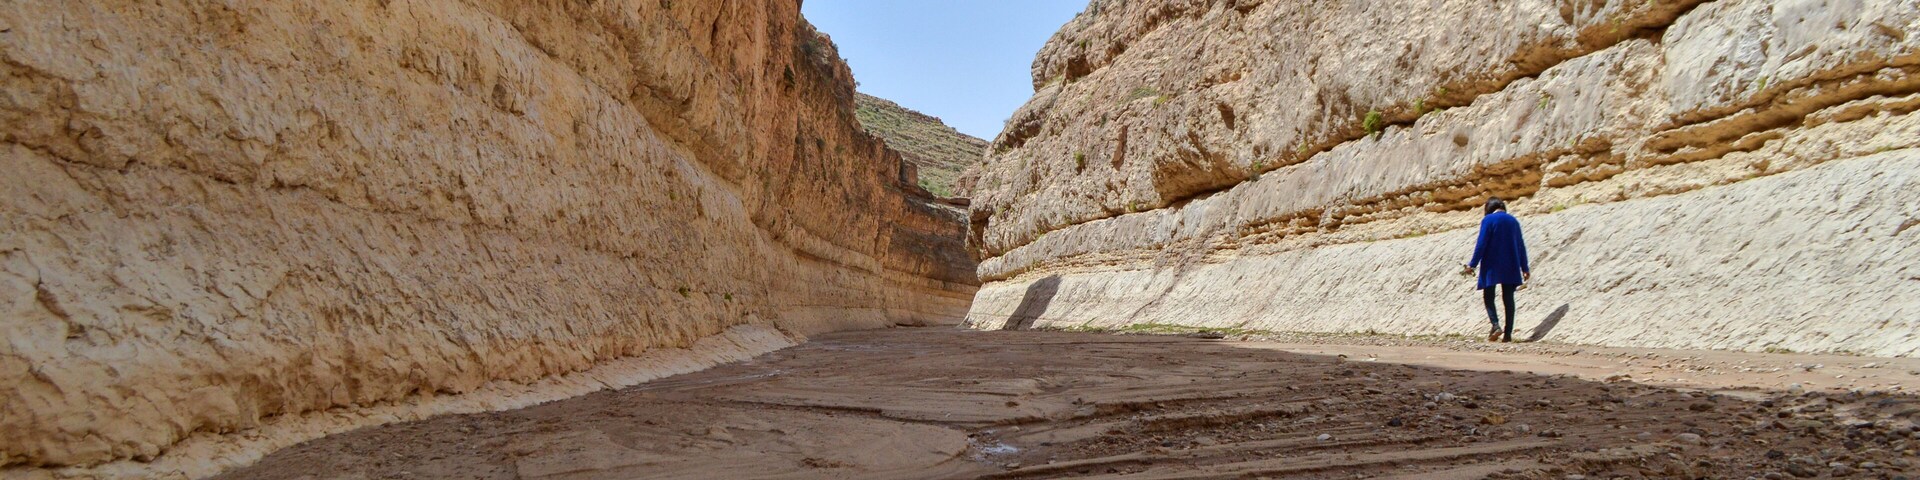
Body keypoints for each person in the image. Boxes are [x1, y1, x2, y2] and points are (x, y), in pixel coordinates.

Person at [1464, 197, 1530, 342]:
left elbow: (1481, 244)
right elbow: (1520, 245)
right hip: (1511, 263)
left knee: (1489, 296)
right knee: (1508, 298)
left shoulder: (1488, 220)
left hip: (1492, 264)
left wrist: (1472, 264)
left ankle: (1495, 325)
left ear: (1488, 208)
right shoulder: (1513, 221)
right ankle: (1508, 334)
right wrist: (1525, 267)